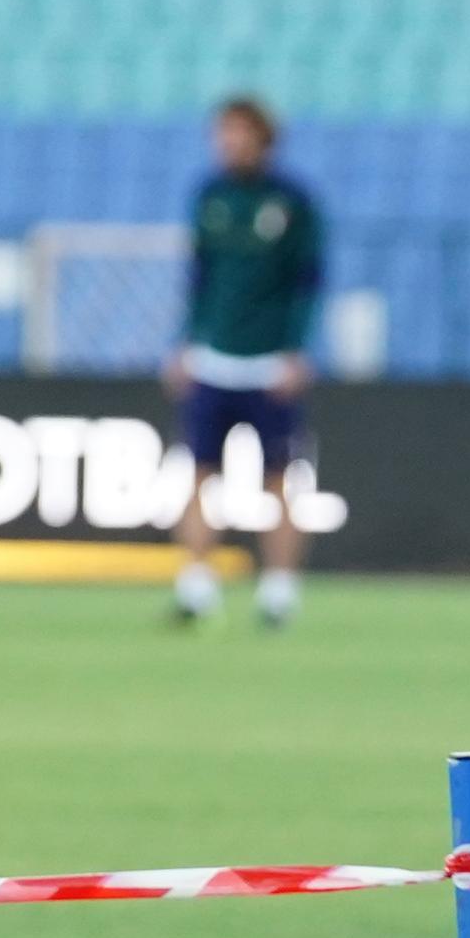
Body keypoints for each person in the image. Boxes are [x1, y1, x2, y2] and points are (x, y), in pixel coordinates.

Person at [164, 95, 325, 629]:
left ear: (263, 139)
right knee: (198, 473)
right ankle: (196, 586)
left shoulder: (293, 201)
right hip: (212, 360)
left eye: (238, 132)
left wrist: (295, 351)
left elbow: (308, 283)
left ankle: (278, 591)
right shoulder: (209, 195)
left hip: (269, 364)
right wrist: (186, 343)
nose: (228, 143)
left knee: (279, 479)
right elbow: (199, 277)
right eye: (222, 133)